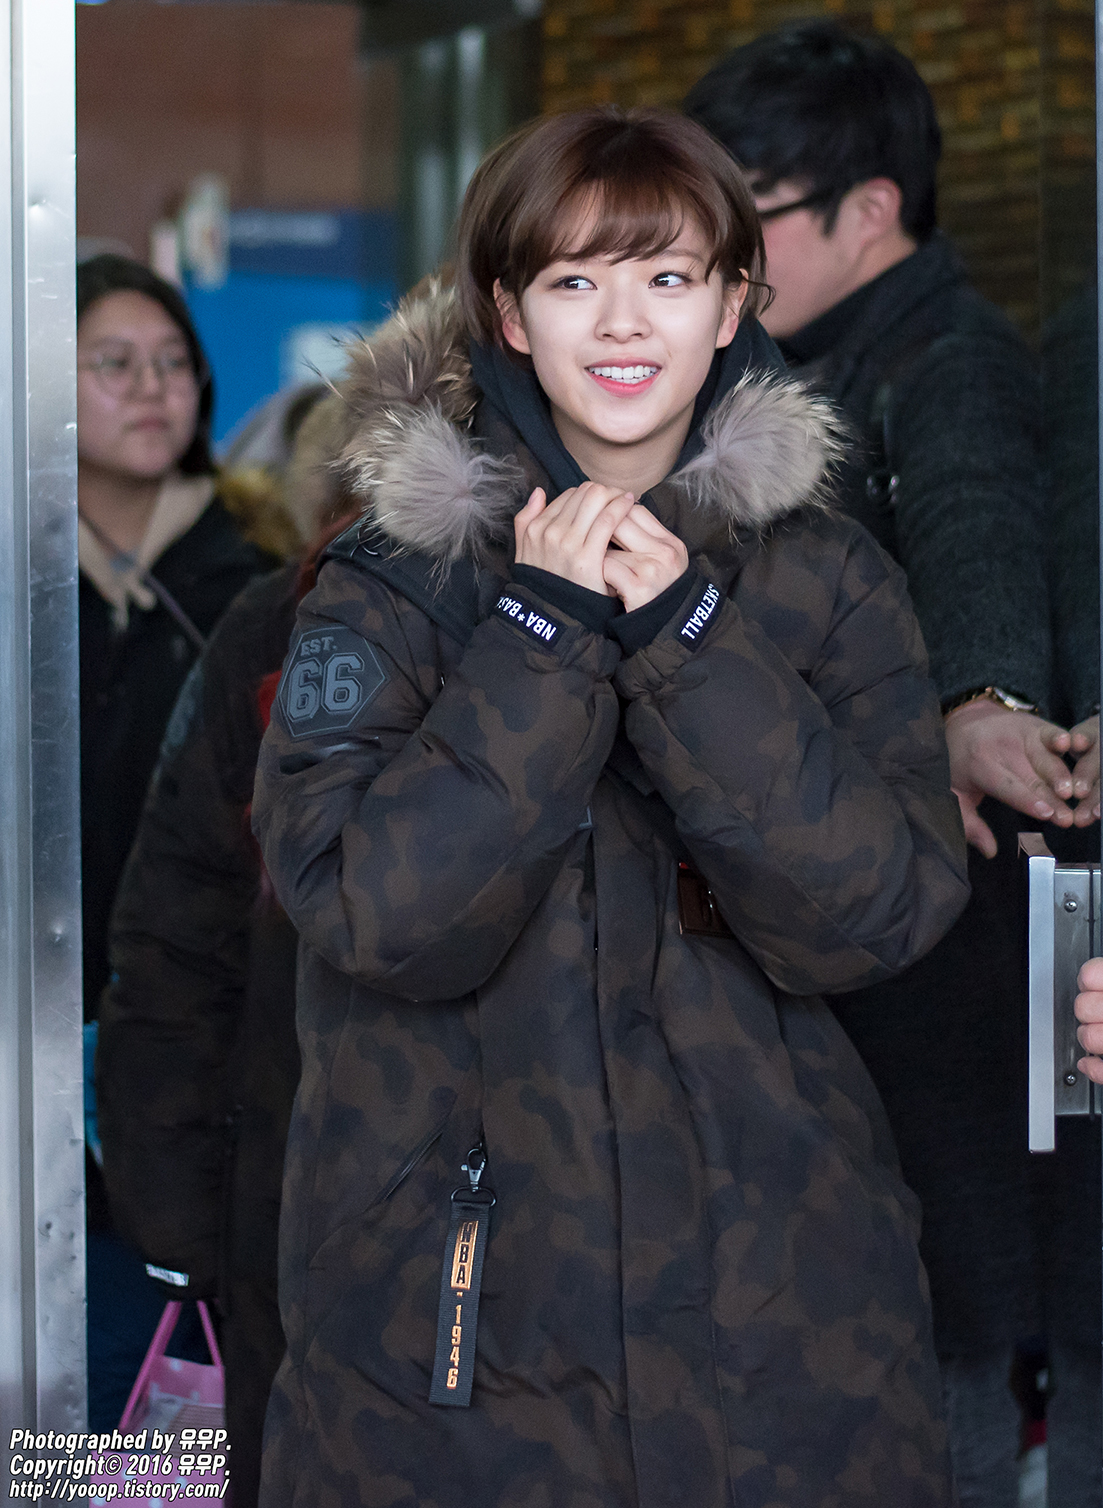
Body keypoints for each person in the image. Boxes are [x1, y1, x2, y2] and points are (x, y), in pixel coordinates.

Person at [251, 106, 970, 1506]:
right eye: (573, 279)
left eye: (668, 276)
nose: (623, 321)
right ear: (509, 315)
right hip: (460, 1332)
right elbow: (378, 917)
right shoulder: (391, 583)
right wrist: (541, 627)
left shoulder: (825, 576)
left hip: (784, 1321)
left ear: (731, 306)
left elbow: (874, 911)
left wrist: (686, 632)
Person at [685, 22, 1100, 1506]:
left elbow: (980, 519)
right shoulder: (793, 365)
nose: (718, 266)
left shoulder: (941, 353)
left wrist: (984, 693)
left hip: (959, 951)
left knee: (958, 1322)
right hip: (894, 941)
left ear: (869, 209)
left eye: (749, 219)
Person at [97, 402, 359, 1507]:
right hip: (258, 1181)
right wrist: (174, 1221)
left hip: (352, 1195)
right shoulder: (277, 617)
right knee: (119, 1422)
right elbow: (174, 939)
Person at [77, 253, 277, 1427]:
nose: (153, 388)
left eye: (173, 363)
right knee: (39, 1398)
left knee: (154, 1403)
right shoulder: (26, 585)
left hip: (192, 1044)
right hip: (33, 1034)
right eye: (114, 363)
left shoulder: (252, 583)